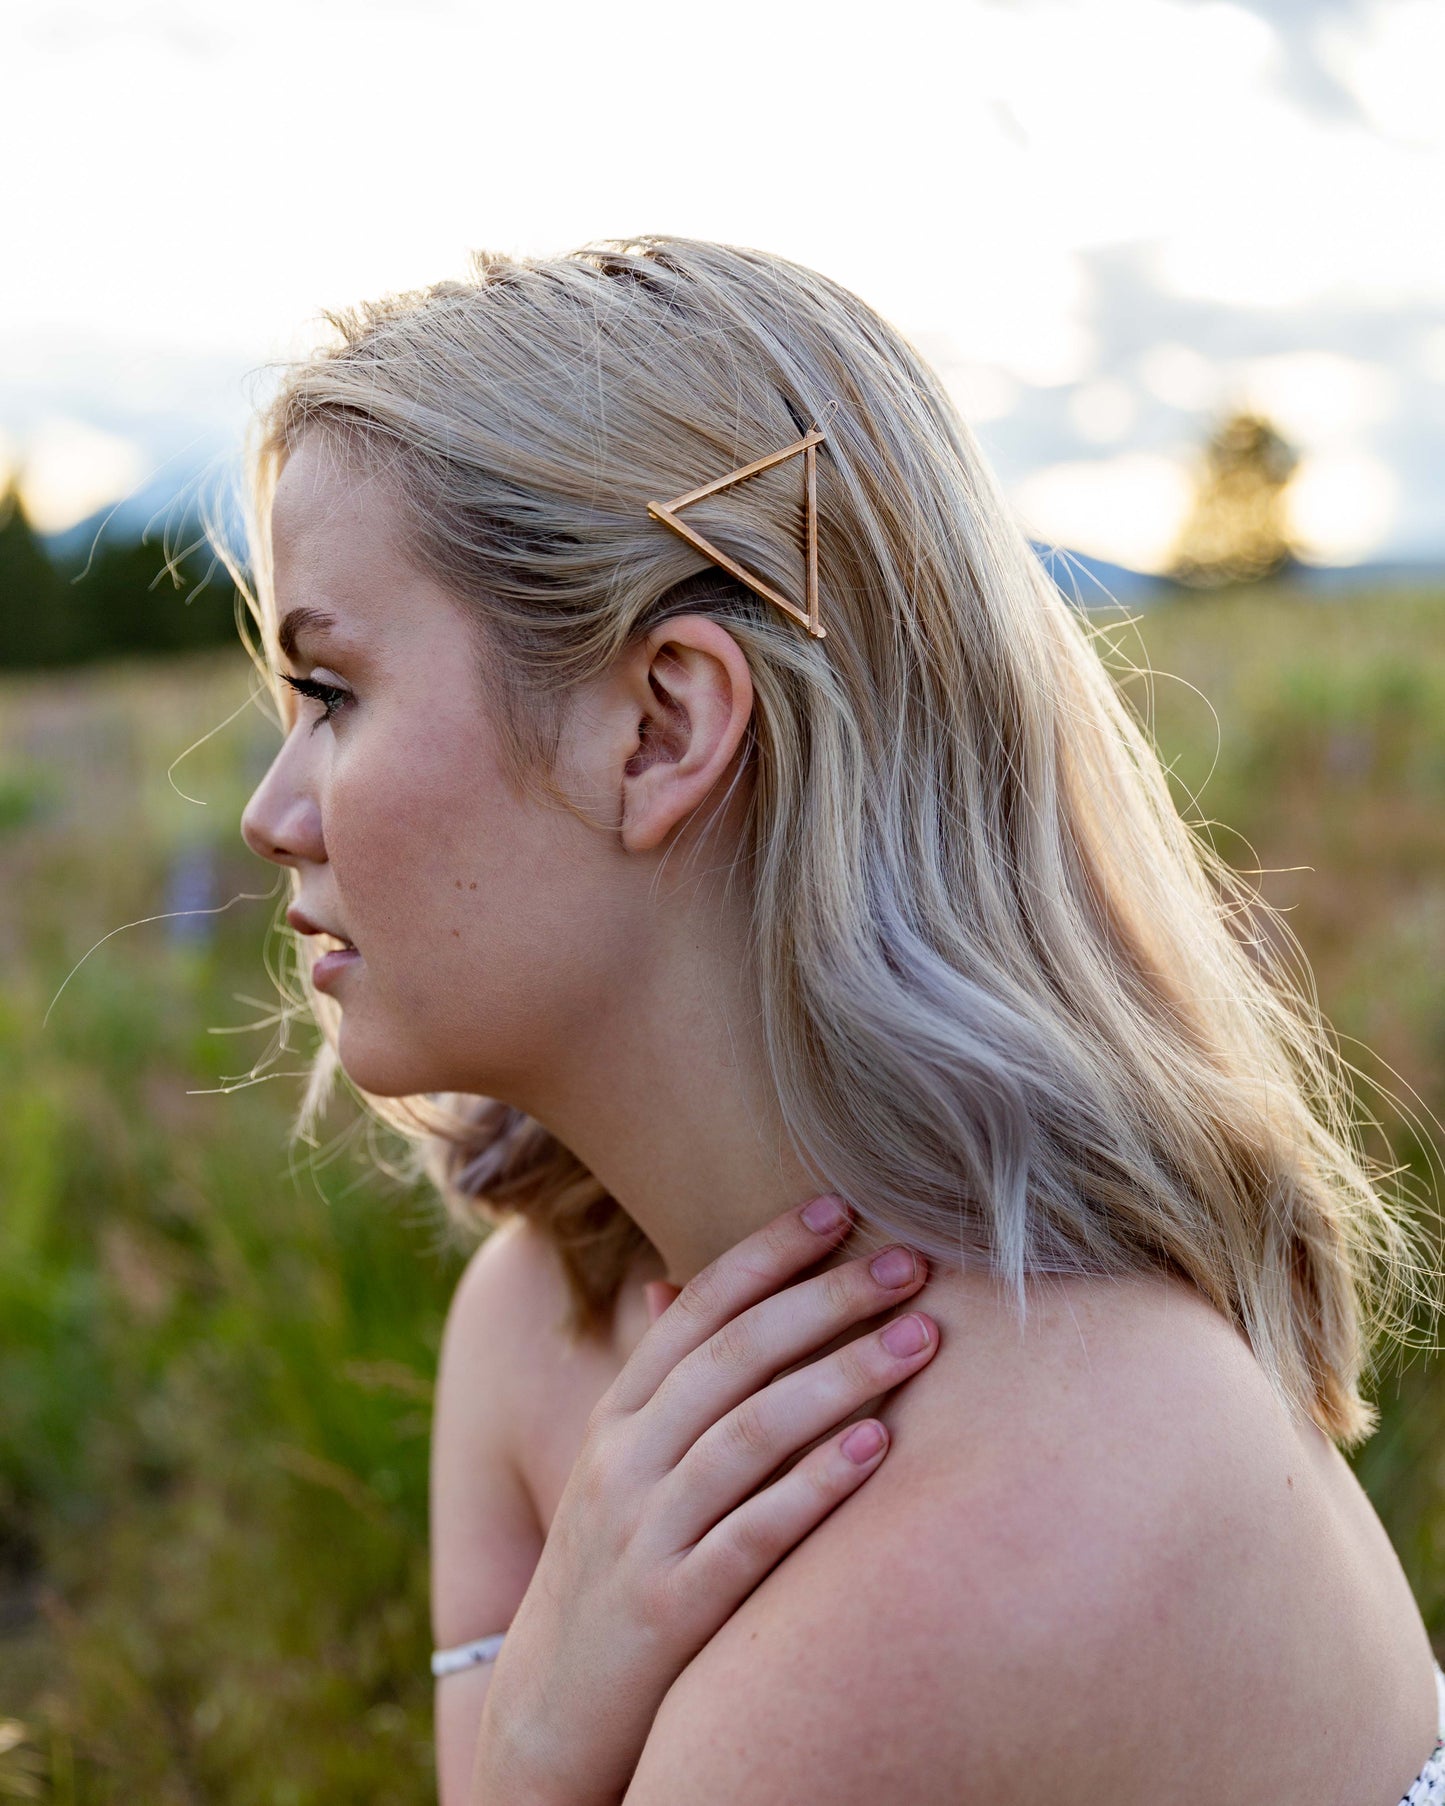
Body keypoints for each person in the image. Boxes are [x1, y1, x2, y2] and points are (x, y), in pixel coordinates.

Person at [235, 235, 1445, 1804]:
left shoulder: (963, 1541)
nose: (270, 813)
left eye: (330, 692)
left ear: (661, 727)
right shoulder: (550, 1322)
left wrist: (540, 1753)